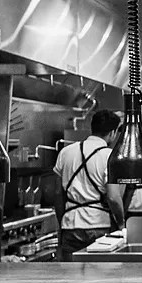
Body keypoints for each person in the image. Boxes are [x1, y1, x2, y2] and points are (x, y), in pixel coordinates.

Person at [54, 108, 125, 259]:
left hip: (71, 225)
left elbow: (57, 194)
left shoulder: (66, 152)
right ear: (112, 133)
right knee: (99, 272)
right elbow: (113, 197)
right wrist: (121, 224)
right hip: (99, 225)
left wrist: (62, 222)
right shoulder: (109, 156)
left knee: (69, 272)